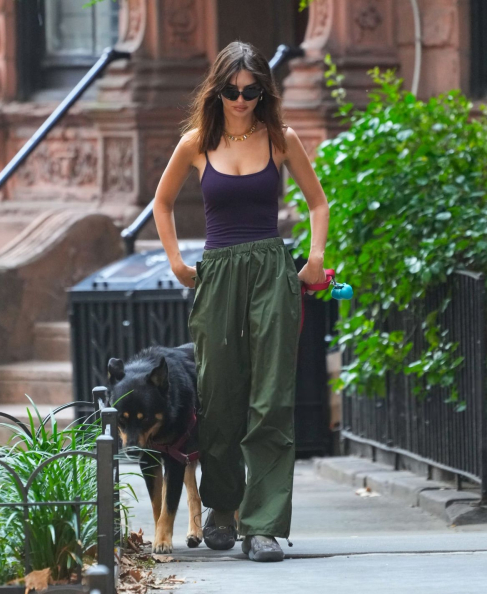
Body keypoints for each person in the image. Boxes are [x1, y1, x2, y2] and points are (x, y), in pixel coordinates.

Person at [152, 41, 329, 562]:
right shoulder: (196, 143)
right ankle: (223, 509)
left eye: (252, 90)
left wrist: (315, 257)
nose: (241, 98)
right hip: (218, 272)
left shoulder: (280, 138)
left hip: (272, 272)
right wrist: (175, 261)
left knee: (271, 397)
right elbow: (161, 204)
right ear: (218, 88)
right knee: (220, 394)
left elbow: (317, 202)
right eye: (232, 89)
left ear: (263, 91)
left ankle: (264, 525)